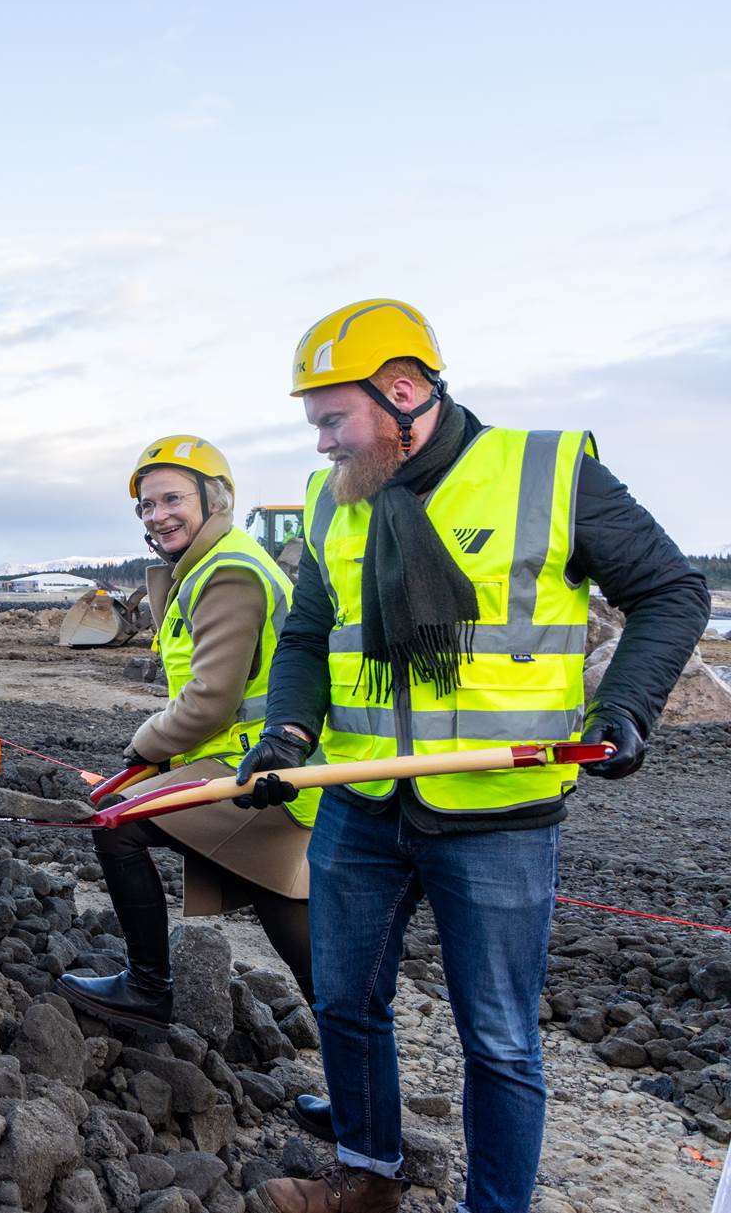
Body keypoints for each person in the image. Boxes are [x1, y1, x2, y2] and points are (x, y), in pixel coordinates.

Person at [242, 300, 710, 1213]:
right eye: (316, 424)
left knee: (497, 1039)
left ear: (405, 393)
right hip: (362, 801)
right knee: (343, 1002)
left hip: (497, 814)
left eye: (335, 419)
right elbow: (305, 635)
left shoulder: (546, 471)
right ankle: (366, 1175)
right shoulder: (333, 501)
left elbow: (671, 590)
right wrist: (289, 732)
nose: (324, 442)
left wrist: (626, 707)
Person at [52, 436, 333, 1140]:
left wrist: (142, 746)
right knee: (294, 927)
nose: (157, 515)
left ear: (217, 497)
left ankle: (149, 986)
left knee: (117, 822)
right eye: (148, 504)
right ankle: (364, 1094)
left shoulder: (230, 572)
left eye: (172, 498)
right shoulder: (206, 565)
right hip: (246, 770)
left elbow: (210, 700)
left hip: (257, 776)